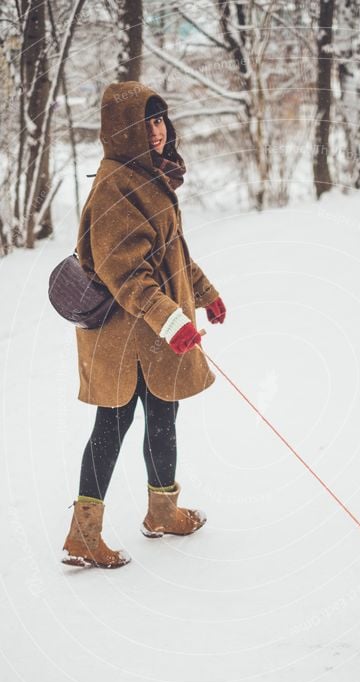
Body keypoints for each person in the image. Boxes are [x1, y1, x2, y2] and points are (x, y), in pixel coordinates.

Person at [62, 82, 226, 569]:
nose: (157, 131)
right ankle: (83, 536)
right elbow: (128, 273)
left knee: (163, 412)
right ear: (122, 131)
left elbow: (171, 253)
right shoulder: (116, 183)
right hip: (123, 333)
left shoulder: (148, 176)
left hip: (154, 330)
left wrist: (205, 293)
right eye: (145, 122)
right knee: (113, 423)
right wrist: (172, 319)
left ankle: (163, 511)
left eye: (160, 120)